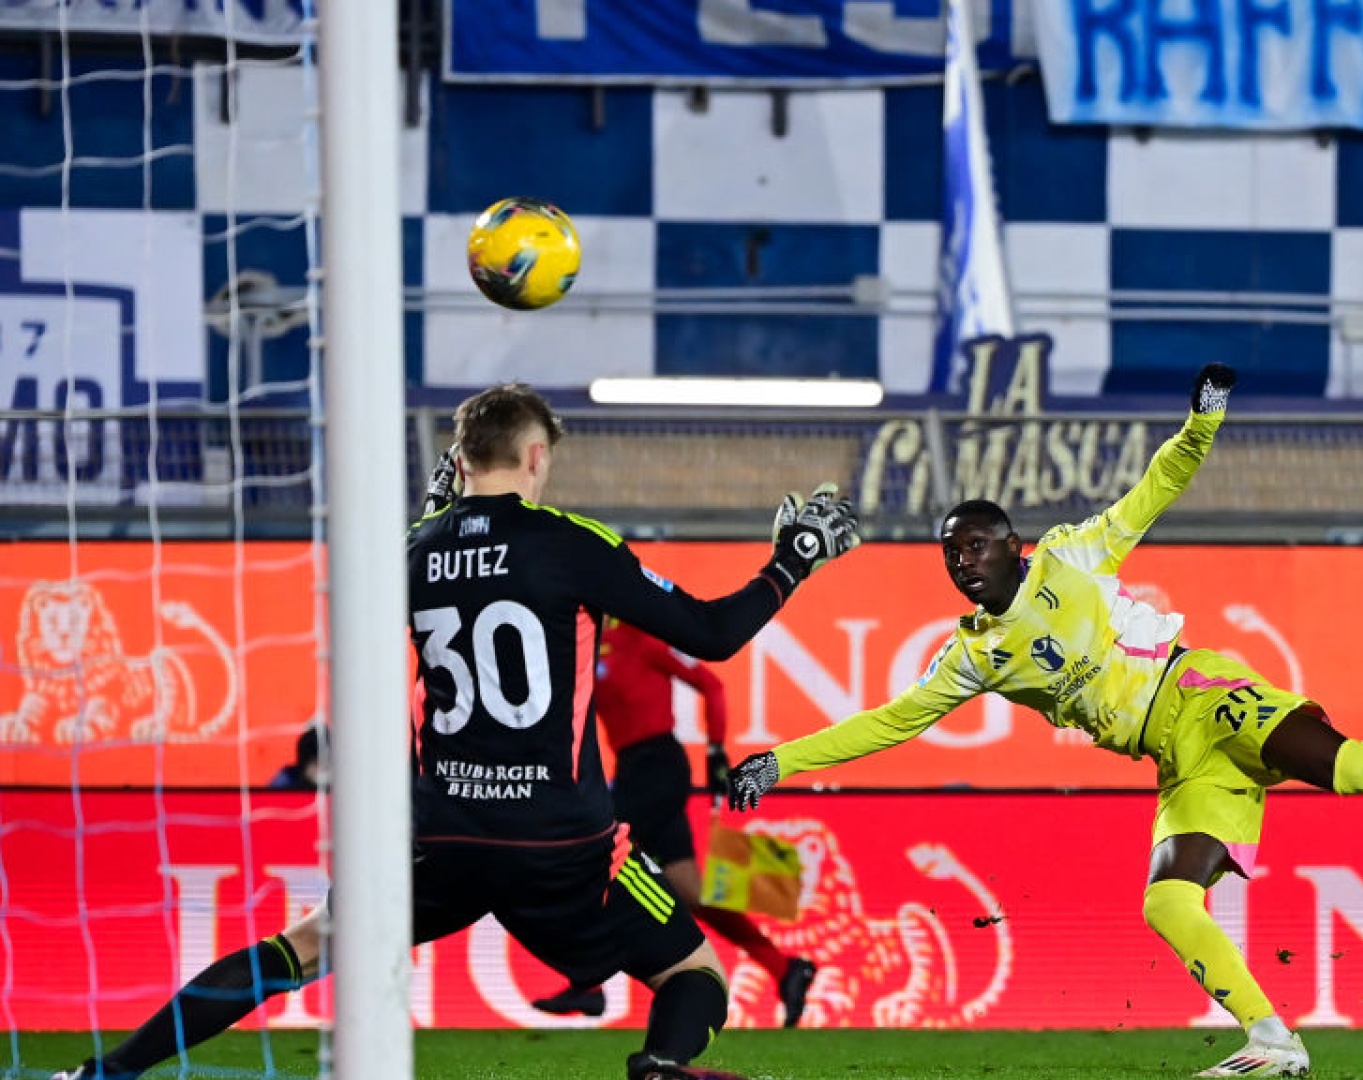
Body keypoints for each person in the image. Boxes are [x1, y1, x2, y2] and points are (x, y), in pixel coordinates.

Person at [726, 363, 1363, 1079]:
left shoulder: (1071, 560)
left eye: (977, 545)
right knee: (1165, 901)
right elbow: (886, 723)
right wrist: (778, 760)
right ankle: (1274, 1040)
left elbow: (1153, 491)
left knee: (1357, 771)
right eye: (950, 553)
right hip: (1179, 759)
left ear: (1014, 546)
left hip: (1204, 695)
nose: (962, 562)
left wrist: (1201, 423)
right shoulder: (972, 655)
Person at [53, 382, 860, 1080]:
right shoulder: (574, 544)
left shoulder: (410, 550)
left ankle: (105, 1071)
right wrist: (792, 561)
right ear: (536, 456)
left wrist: (434, 523)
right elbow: (712, 635)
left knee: (300, 948)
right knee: (694, 974)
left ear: (460, 457)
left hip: (439, 837)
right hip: (562, 845)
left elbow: (391, 639)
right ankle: (660, 1067)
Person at [530, 618, 818, 1027]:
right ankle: (785, 968)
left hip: (657, 767)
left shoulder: (641, 637)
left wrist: (716, 751)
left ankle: (589, 983)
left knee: (594, 857)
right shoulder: (583, 646)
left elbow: (712, 686)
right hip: (632, 770)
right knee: (690, 890)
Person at [266, 724, 324, 792]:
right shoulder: (286, 779)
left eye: (327, 763)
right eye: (316, 763)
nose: (322, 770)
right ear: (304, 764)